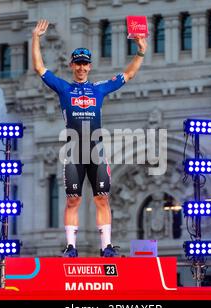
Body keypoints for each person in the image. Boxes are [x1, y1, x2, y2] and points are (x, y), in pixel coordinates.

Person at [32, 19, 147, 257]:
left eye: (85, 64)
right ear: (72, 65)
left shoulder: (99, 88)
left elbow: (128, 74)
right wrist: (36, 38)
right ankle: (71, 247)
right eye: (78, 64)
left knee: (102, 199)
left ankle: (106, 246)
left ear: (90, 67)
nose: (82, 68)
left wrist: (141, 51)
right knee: (73, 200)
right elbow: (39, 68)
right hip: (74, 150)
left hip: (96, 150)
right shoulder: (64, 88)